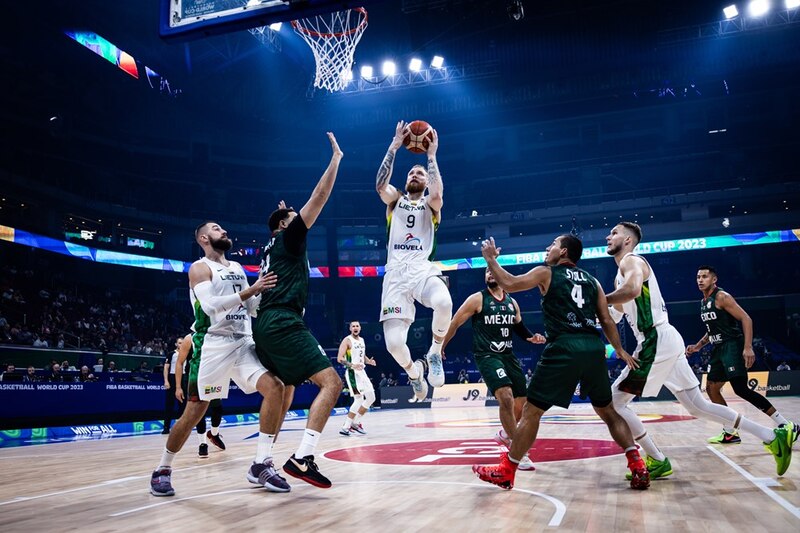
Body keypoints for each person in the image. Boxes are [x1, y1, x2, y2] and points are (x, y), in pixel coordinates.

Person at [604, 222, 796, 478]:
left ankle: (657, 458)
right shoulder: (620, 274)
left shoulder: (631, 261)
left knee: (615, 403)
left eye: (614, 233)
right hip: (665, 340)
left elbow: (633, 290)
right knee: (697, 406)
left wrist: (599, 298)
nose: (608, 236)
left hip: (656, 340)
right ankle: (771, 436)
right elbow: (612, 316)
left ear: (628, 240)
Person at [473, 234, 650, 490]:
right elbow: (608, 320)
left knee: (532, 412)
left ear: (564, 251)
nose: (548, 249)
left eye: (553, 245)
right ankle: (637, 464)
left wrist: (490, 260)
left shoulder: (546, 273)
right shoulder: (593, 281)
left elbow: (509, 283)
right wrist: (620, 350)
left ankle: (507, 470)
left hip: (563, 346)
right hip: (592, 347)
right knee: (608, 412)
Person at [149, 221, 288, 497]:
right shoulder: (200, 268)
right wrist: (252, 290)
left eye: (223, 228)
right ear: (203, 238)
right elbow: (211, 307)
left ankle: (261, 463)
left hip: (242, 342)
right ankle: (162, 469)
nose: (223, 231)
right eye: (216, 229)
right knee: (193, 414)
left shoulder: (236, 268)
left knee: (276, 388)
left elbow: (251, 307)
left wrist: (268, 292)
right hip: (212, 345)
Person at [253, 132, 344, 489]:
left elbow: (288, 222)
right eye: (293, 218)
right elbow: (319, 196)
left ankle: (260, 462)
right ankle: (303, 457)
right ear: (284, 226)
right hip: (282, 320)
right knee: (332, 383)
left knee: (284, 388)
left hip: (266, 322)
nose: (299, 220)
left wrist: (285, 215)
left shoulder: (275, 242)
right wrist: (335, 159)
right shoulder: (289, 236)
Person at [375, 121, 452, 401]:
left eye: (419, 172)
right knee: (395, 345)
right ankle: (414, 373)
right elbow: (381, 185)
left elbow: (439, 194)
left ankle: (434, 351)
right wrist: (394, 147)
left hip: (422, 268)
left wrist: (431, 157)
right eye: (412, 172)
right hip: (395, 274)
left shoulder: (431, 206)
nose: (415, 174)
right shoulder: (395, 201)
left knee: (444, 302)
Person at [443, 267, 540, 471]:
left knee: (522, 405)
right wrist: (440, 347)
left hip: (509, 356)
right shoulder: (477, 299)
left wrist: (532, 337)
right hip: (487, 355)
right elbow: (456, 322)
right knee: (505, 397)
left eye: (492, 271)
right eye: (486, 271)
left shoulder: (512, 302)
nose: (489, 274)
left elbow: (519, 327)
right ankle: (517, 451)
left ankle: (505, 435)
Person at [686, 266, 793, 443]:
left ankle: (784, 423)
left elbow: (746, 318)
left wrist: (748, 347)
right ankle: (730, 432)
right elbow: (712, 330)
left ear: (714, 280)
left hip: (732, 345)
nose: (700, 280)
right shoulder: (703, 302)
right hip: (718, 348)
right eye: (698, 277)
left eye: (704, 277)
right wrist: (698, 346)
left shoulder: (722, 297)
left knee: (741, 389)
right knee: (712, 388)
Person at [174, 333, 226, 457]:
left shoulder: (214, 334)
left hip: (212, 377)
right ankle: (202, 444)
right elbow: (179, 363)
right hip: (194, 378)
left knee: (218, 408)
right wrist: (178, 387)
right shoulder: (189, 338)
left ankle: (214, 434)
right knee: (198, 412)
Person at [336, 321, 377, 436]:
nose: (355, 327)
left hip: (362, 372)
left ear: (360, 328)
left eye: (357, 326)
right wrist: (352, 365)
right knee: (359, 399)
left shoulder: (362, 340)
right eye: (353, 326)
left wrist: (369, 361)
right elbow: (340, 358)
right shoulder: (347, 340)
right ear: (350, 328)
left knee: (371, 397)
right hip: (352, 372)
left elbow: (361, 355)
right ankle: (345, 427)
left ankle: (356, 422)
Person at [161, 337, 183, 434]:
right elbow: (166, 368)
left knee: (182, 405)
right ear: (176, 344)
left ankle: (182, 427)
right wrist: (166, 380)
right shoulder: (171, 354)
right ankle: (166, 427)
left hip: (183, 379)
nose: (181, 345)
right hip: (172, 378)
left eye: (182, 343)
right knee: (169, 404)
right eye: (179, 343)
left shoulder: (187, 354)